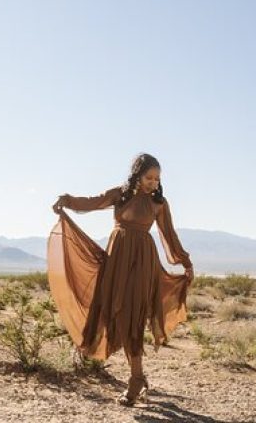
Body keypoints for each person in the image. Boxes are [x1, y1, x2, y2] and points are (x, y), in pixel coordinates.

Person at [48, 153, 194, 406]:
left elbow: (169, 235)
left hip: (142, 263)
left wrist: (185, 261)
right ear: (137, 175)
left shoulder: (159, 203)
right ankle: (132, 374)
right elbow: (93, 202)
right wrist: (68, 201)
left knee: (132, 316)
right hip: (117, 261)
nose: (154, 183)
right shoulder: (120, 194)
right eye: (149, 177)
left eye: (157, 179)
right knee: (110, 311)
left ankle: (135, 380)